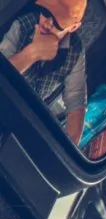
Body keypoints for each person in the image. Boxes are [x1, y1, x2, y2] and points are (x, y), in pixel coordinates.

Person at [0, 0, 88, 145]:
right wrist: (31, 53)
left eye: (58, 21)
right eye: (45, 12)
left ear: (73, 27)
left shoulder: (75, 51)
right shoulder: (22, 25)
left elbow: (76, 105)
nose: (47, 23)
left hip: (28, 121)